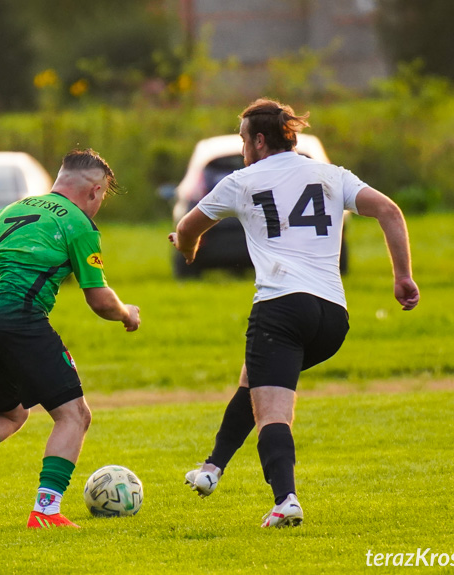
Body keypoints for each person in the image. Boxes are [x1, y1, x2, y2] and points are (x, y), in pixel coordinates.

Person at [169, 98, 419, 528]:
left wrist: (187, 249)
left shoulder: (242, 180)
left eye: (244, 138)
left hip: (281, 307)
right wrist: (403, 277)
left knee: (272, 411)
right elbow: (390, 211)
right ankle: (212, 468)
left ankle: (286, 500)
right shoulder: (331, 174)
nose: (243, 147)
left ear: (259, 140)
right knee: (256, 380)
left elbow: (190, 226)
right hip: (332, 316)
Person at [0, 148, 141, 529]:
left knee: (12, 411)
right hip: (15, 312)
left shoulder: (14, 209)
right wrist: (127, 313)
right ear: (94, 192)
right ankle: (46, 511)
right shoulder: (78, 224)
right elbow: (98, 299)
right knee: (74, 415)